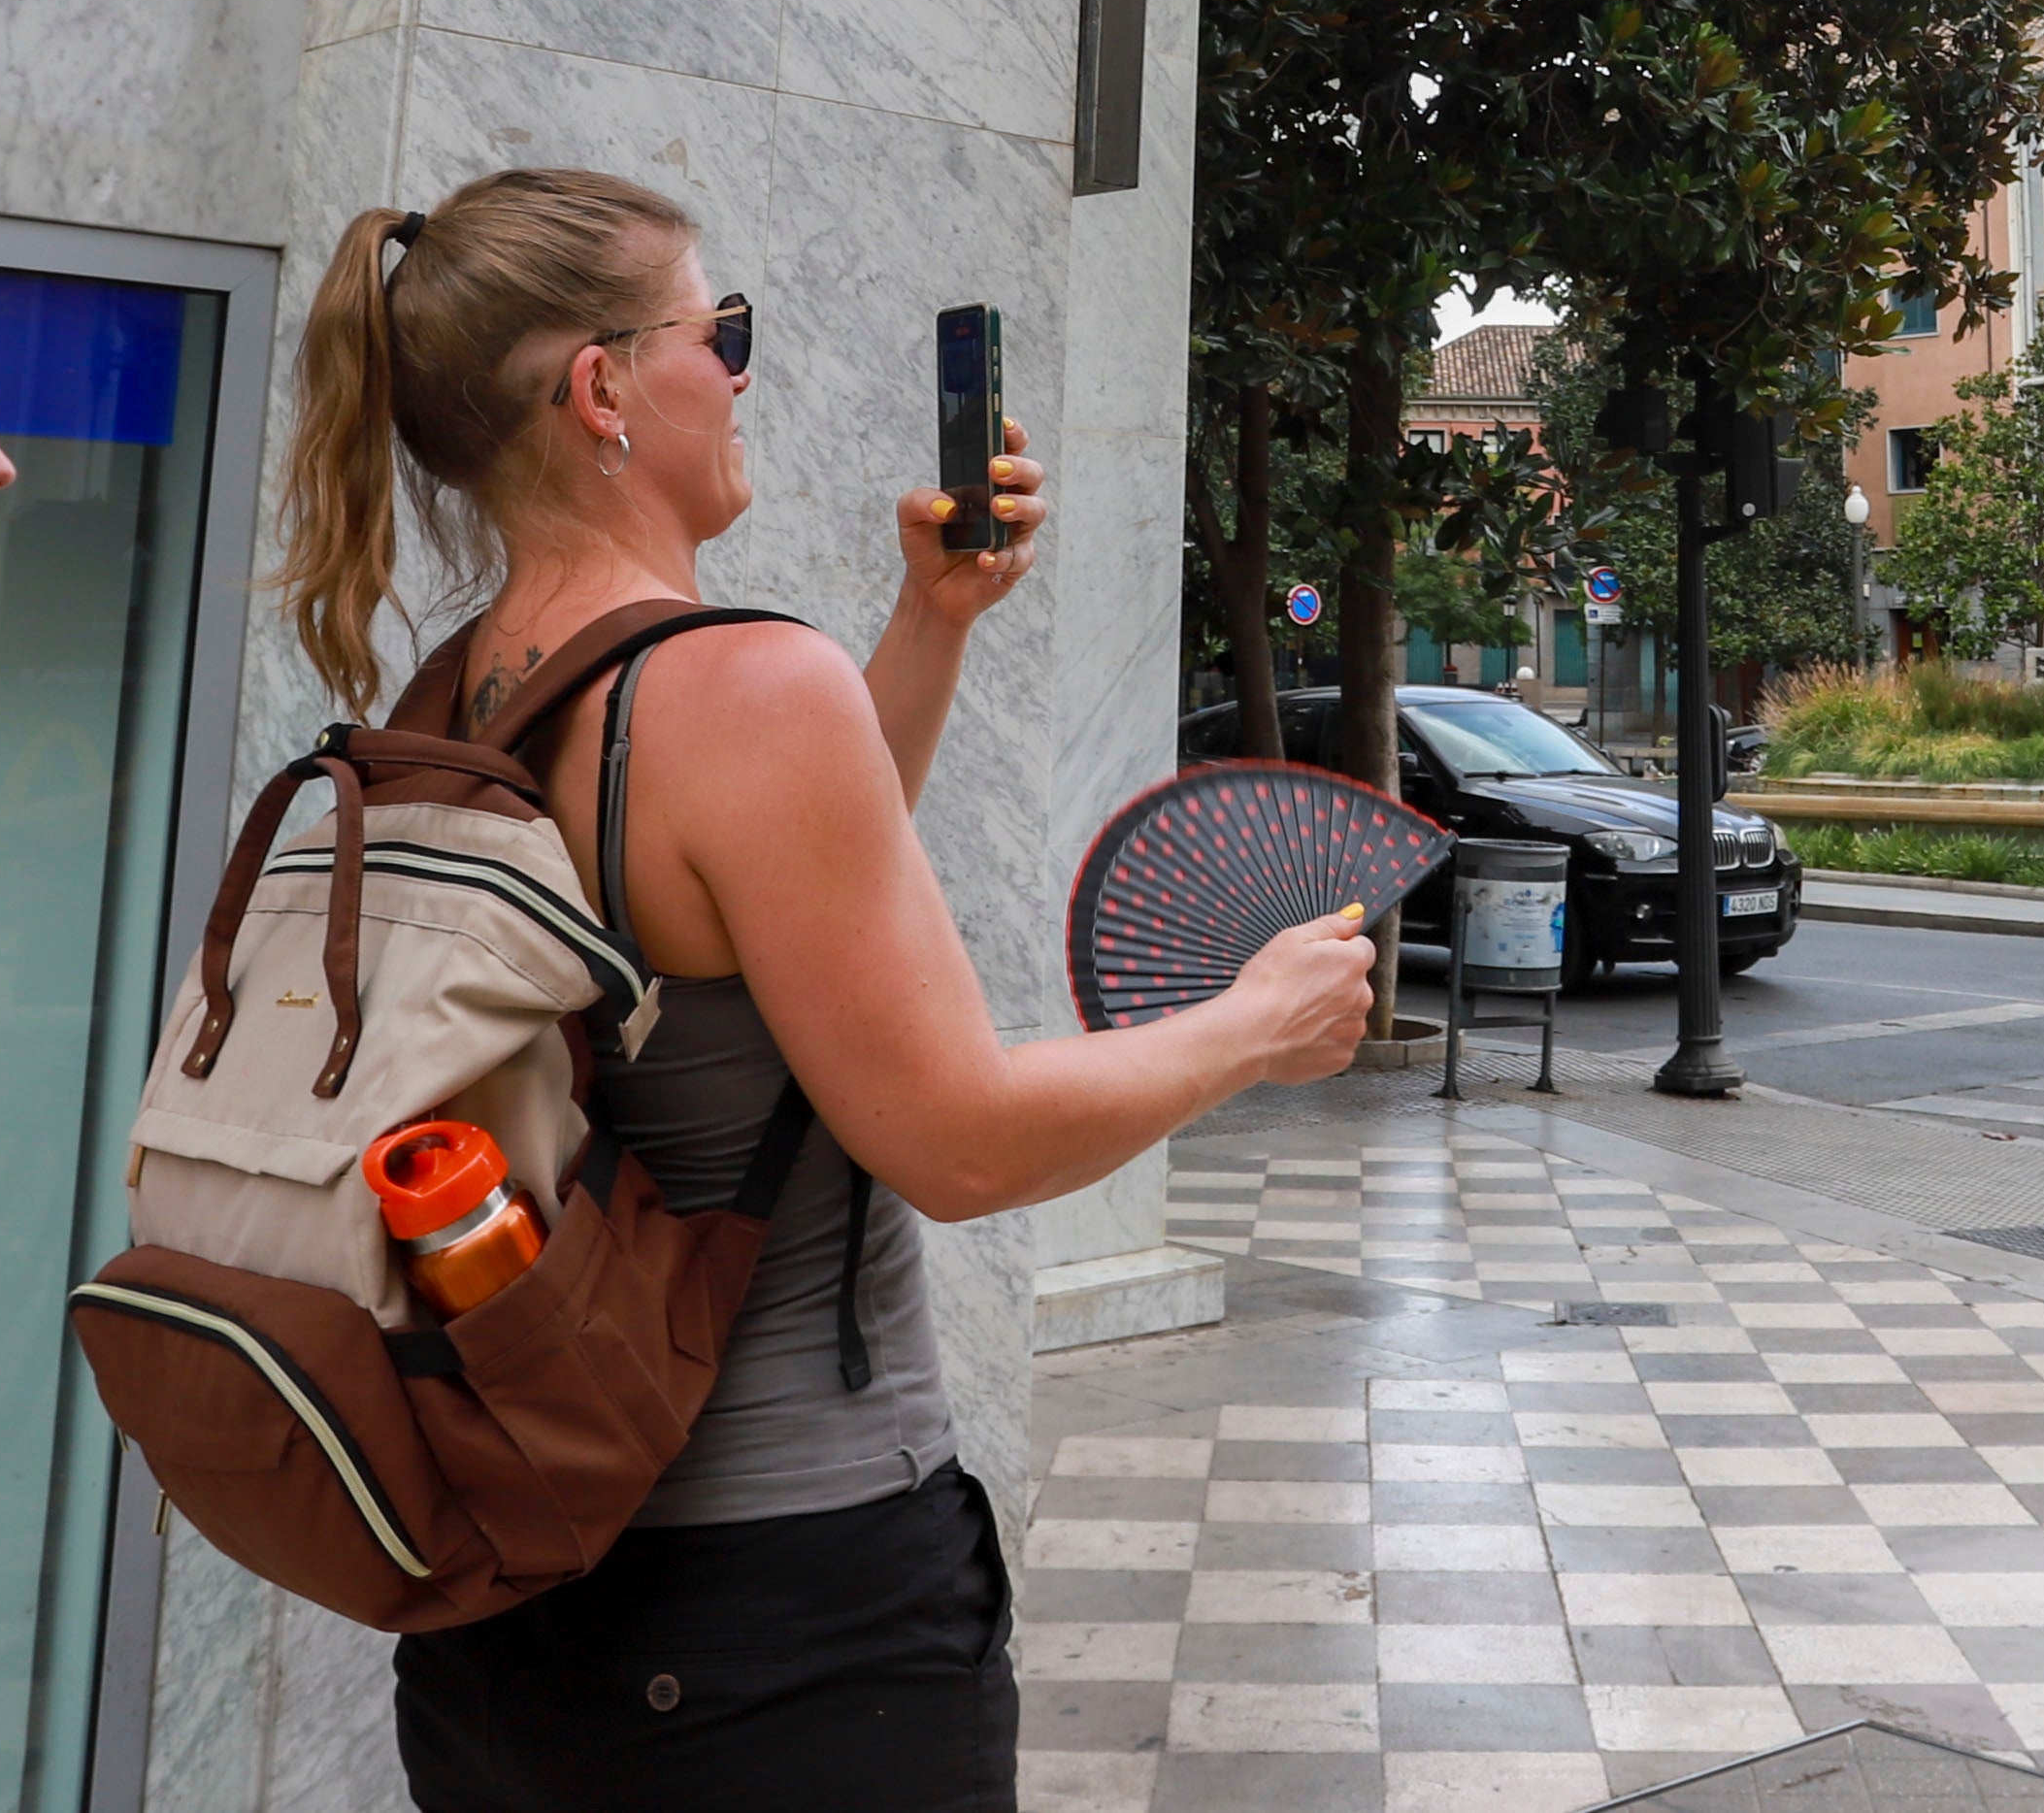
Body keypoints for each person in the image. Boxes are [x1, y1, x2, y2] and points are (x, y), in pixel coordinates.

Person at [274, 170, 1374, 1812]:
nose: (738, 370)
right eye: (721, 331)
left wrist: (927, 628)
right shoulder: (736, 688)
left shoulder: (469, 685)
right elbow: (963, 1145)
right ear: (603, 389)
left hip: (515, 1619)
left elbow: (746, 922)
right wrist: (1250, 1024)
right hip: (784, 1622)